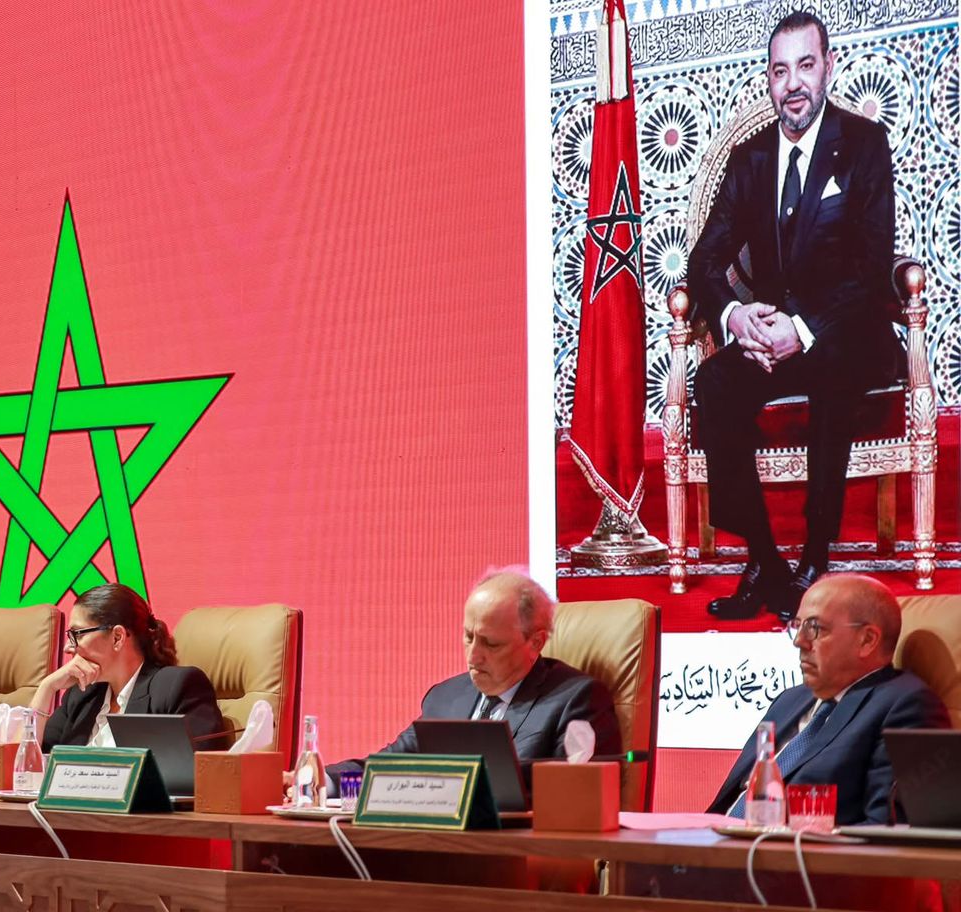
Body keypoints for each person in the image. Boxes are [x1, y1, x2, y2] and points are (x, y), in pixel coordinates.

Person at [688, 11, 903, 622]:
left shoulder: (862, 144)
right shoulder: (750, 159)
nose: (794, 83)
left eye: (805, 65)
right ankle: (765, 561)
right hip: (772, 338)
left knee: (833, 367)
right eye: (780, 71)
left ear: (827, 66)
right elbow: (704, 260)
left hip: (846, 331)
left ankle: (815, 555)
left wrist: (801, 328)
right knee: (714, 381)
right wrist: (737, 318)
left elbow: (872, 265)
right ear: (769, 79)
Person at [327, 570, 620, 786]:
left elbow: (572, 796)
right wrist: (324, 781)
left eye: (491, 644)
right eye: (468, 637)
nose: (474, 655)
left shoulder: (576, 700)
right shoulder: (444, 698)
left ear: (535, 642)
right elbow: (387, 768)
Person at [709, 574, 949, 825]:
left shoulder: (905, 705)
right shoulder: (790, 700)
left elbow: (887, 829)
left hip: (783, 848)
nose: (799, 641)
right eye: (797, 625)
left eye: (815, 628)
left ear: (867, 640)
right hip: (713, 837)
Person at [32, 583, 228, 751]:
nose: (68, 647)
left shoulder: (176, 687)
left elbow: (201, 769)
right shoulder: (82, 695)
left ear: (117, 637)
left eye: (78, 634)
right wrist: (47, 688)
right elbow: (26, 764)